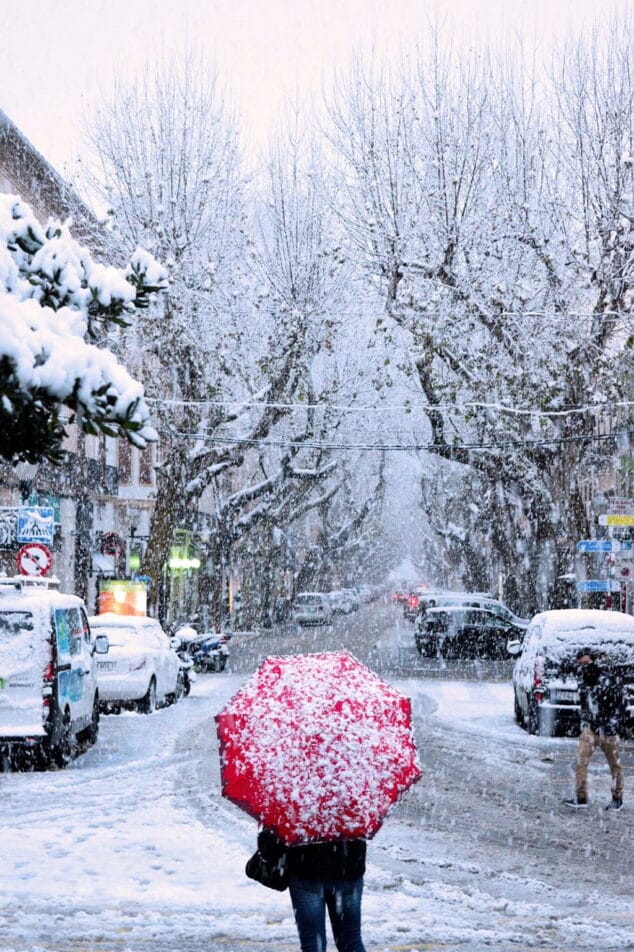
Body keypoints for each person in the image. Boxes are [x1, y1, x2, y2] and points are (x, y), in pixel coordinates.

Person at [257, 827, 367, 952]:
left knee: (313, 944)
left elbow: (270, 839)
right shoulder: (353, 808)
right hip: (348, 869)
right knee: (351, 941)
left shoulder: (295, 808)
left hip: (306, 871)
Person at [563, 647, 625, 810]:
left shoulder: (607, 679)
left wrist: (612, 722)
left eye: (587, 663)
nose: (584, 666)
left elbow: (620, 703)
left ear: (593, 662)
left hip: (608, 729)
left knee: (614, 765)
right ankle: (581, 797)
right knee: (581, 761)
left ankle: (617, 798)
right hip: (590, 728)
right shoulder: (583, 678)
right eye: (581, 664)